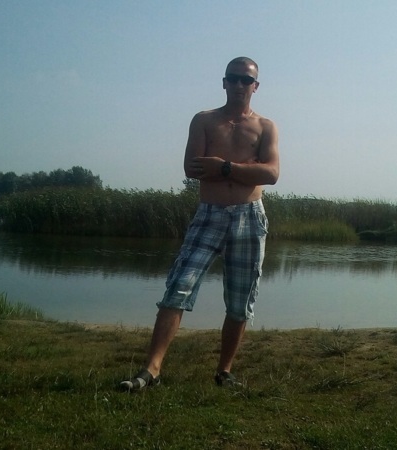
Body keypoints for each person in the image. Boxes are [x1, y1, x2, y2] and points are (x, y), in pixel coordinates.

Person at [120, 56, 279, 391]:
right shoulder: (204, 120)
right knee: (178, 286)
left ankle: (224, 371)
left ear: (255, 86)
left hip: (250, 217)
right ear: (224, 82)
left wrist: (223, 167)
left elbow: (272, 173)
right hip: (209, 213)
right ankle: (152, 369)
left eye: (246, 80)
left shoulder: (266, 126)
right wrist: (245, 168)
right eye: (233, 78)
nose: (239, 84)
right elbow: (192, 168)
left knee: (240, 299)